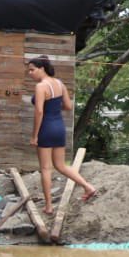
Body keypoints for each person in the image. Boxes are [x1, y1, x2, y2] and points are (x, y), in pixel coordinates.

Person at [28, 56, 97, 211]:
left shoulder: (41, 87)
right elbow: (68, 106)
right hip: (59, 127)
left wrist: (34, 135)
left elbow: (39, 111)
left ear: (42, 69)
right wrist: (53, 109)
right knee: (61, 166)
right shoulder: (60, 84)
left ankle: (48, 206)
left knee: (46, 168)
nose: (30, 73)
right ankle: (88, 186)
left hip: (46, 128)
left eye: (32, 70)